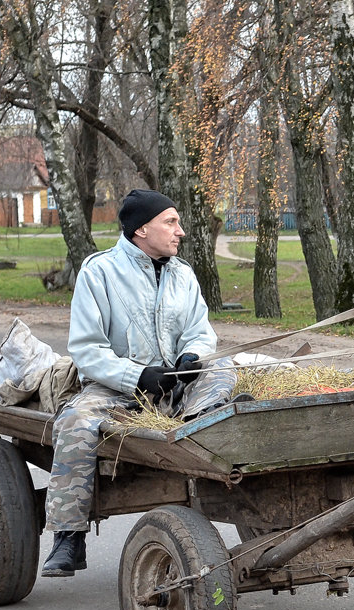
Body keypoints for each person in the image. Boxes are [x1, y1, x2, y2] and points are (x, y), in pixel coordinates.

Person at [41, 189, 237, 577]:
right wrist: (138, 376)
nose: (180, 231)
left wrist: (190, 359)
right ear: (142, 229)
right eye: (171, 222)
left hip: (177, 389)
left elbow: (200, 332)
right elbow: (87, 349)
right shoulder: (99, 273)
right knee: (74, 422)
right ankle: (68, 536)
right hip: (116, 390)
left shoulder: (183, 274)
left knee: (224, 367)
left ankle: (205, 418)